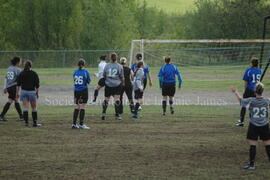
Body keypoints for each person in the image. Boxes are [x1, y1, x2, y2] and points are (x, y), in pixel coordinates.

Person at [231, 83, 270, 170]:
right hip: (265, 125)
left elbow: (241, 101)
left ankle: (251, 164)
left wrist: (236, 92)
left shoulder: (251, 100)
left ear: (254, 91)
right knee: (268, 145)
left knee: (253, 145)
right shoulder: (267, 101)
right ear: (262, 91)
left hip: (254, 125)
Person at [235, 58, 262, 127]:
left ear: (252, 63)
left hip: (249, 89)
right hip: (256, 90)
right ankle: (253, 121)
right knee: (254, 105)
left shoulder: (248, 70)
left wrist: (245, 90)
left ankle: (241, 121)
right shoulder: (260, 70)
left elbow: (246, 82)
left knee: (244, 104)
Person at [16, 61, 41, 127]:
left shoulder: (21, 73)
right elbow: (37, 85)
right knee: (34, 108)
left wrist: (17, 93)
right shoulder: (34, 73)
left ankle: (26, 123)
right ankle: (35, 123)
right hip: (31, 92)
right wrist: (37, 93)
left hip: (23, 92)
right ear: (30, 66)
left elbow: (18, 85)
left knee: (25, 108)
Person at [101, 53, 124, 120]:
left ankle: (103, 113)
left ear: (110, 58)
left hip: (108, 85)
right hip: (117, 85)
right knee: (117, 99)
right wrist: (122, 83)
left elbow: (104, 75)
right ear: (116, 58)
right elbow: (121, 76)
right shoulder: (119, 66)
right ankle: (117, 115)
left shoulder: (107, 65)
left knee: (106, 99)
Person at [0, 57, 23, 121]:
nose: (21, 63)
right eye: (20, 61)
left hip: (9, 87)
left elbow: (6, 78)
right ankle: (1, 116)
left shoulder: (9, 68)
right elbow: (19, 80)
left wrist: (5, 87)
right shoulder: (18, 69)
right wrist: (19, 90)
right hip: (13, 86)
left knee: (14, 100)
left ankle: (21, 116)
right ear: (17, 62)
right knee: (12, 100)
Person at [72, 59, 91, 129]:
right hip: (83, 90)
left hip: (76, 90)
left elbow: (74, 79)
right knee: (82, 106)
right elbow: (88, 81)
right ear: (84, 65)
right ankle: (81, 124)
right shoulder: (85, 72)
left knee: (77, 106)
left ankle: (74, 124)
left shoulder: (75, 72)